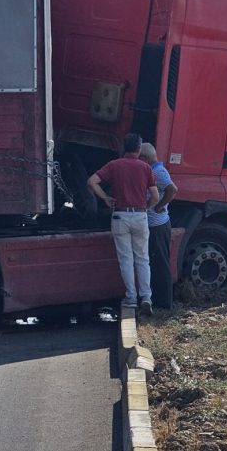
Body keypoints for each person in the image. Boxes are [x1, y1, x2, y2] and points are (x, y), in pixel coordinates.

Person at [88, 133, 159, 316]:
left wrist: (104, 198)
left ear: (124, 148)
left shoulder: (114, 165)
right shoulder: (146, 168)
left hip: (120, 215)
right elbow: (156, 196)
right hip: (140, 216)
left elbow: (92, 181)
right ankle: (146, 297)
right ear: (138, 149)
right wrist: (146, 207)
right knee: (143, 259)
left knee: (126, 260)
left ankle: (131, 298)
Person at [140, 142, 178, 310]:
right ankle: (159, 300)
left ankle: (164, 304)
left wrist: (159, 205)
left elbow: (172, 189)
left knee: (160, 263)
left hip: (157, 226)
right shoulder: (154, 170)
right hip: (155, 225)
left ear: (144, 158)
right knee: (155, 262)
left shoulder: (157, 172)